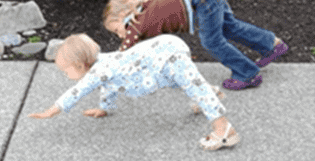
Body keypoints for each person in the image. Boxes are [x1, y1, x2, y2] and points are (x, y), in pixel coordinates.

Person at [29, 33, 239, 151]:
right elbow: (108, 86)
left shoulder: (98, 71)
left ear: (80, 64)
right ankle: (210, 94)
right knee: (185, 82)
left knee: (192, 84)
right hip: (161, 57)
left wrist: (52, 110)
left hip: (166, 56)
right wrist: (105, 108)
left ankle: (224, 130)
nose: (66, 76)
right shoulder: (102, 65)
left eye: (67, 71)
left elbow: (77, 92)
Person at [102, 0, 288, 90]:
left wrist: (106, 68)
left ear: (124, 16)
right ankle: (271, 45)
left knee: (211, 42)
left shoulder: (136, 24)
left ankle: (247, 73)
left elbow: (125, 51)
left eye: (117, 30)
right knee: (229, 27)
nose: (120, 35)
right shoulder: (144, 8)